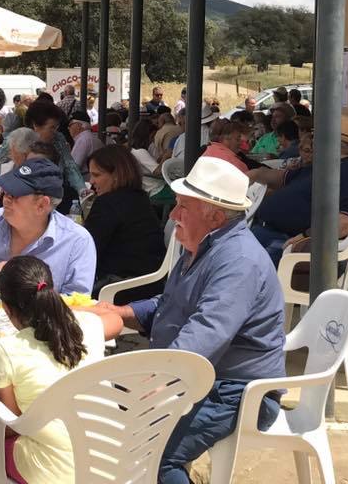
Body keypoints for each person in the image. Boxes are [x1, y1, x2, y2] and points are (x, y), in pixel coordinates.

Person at [95, 157, 285, 484]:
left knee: (155, 456)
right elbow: (171, 304)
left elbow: (207, 332)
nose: (172, 214)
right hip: (204, 380)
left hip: (237, 391)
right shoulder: (201, 246)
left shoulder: (238, 260)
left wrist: (158, 381)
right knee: (108, 412)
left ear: (215, 216)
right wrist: (121, 313)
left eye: (183, 206)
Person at [0, 256, 123, 484]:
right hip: (112, 461)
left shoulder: (6, 350)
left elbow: (11, 425)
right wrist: (63, 307)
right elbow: (115, 319)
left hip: (56, 472)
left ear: (6, 308)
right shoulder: (87, 326)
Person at [0, 158, 96, 293]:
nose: (6, 199)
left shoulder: (76, 241)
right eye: (5, 192)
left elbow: (76, 303)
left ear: (42, 205)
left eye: (14, 194)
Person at [249, 118, 348, 266]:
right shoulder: (323, 167)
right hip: (270, 233)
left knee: (237, 263)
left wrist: (304, 237)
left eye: (316, 137)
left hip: (295, 246)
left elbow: (346, 223)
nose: (313, 142)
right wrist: (256, 173)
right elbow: (281, 177)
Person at [85, 146, 166, 301]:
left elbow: (87, 250)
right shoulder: (141, 198)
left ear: (116, 175)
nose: (91, 181)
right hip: (150, 285)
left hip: (118, 288)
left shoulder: (107, 204)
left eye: (96, 175)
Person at [0, 100, 87, 199]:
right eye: (52, 127)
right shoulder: (17, 139)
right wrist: (10, 182)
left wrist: (82, 189)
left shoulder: (58, 139)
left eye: (57, 127)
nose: (55, 131)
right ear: (35, 125)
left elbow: (70, 166)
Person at [128, 118, 169, 200]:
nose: (153, 140)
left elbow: (151, 164)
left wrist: (161, 156)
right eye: (152, 136)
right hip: (156, 188)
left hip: (150, 187)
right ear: (146, 136)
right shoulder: (141, 152)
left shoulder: (133, 150)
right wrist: (166, 157)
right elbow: (157, 171)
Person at [68, 110, 102, 175]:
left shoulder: (83, 139)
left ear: (79, 125)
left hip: (86, 178)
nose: (68, 128)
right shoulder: (91, 137)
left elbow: (73, 167)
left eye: (70, 124)